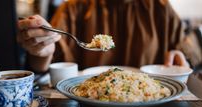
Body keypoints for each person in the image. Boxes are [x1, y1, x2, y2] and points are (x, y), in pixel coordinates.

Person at [17, 0, 190, 73]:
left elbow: (183, 52)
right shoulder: (72, 9)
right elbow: (47, 67)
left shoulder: (161, 9)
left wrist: (179, 60)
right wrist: (42, 50)